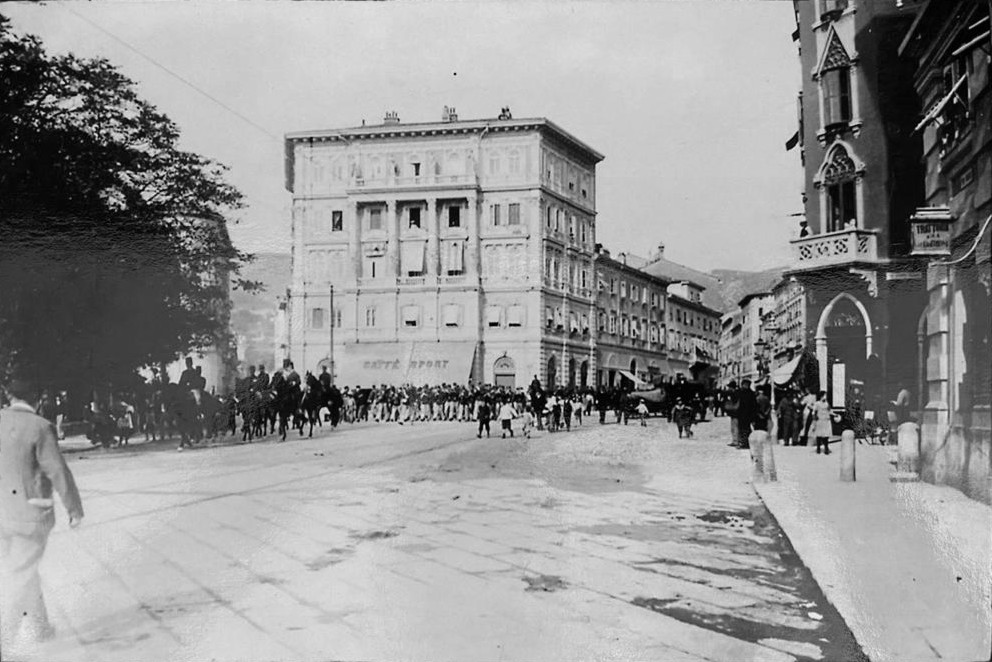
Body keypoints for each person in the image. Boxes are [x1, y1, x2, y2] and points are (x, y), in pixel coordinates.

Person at [0, 374, 84, 651]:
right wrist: (74, 508)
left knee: (23, 567)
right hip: (30, 515)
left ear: (8, 395)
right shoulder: (40, 427)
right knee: (21, 573)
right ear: (39, 398)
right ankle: (5, 638)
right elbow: (56, 469)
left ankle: (39, 626)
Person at [812, 391, 835, 455]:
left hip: (826, 420)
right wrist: (814, 419)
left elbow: (830, 411)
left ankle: (826, 448)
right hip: (820, 420)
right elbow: (813, 412)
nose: (825, 397)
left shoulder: (827, 404)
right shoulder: (817, 404)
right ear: (821, 396)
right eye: (825, 395)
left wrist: (834, 414)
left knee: (826, 435)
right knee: (819, 435)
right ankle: (818, 448)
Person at [736, 379, 757, 449]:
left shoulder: (750, 394)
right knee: (742, 429)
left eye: (746, 385)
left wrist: (753, 416)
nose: (745, 386)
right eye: (744, 384)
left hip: (747, 415)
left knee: (745, 429)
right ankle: (744, 443)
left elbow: (754, 406)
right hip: (741, 414)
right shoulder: (740, 392)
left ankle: (745, 443)